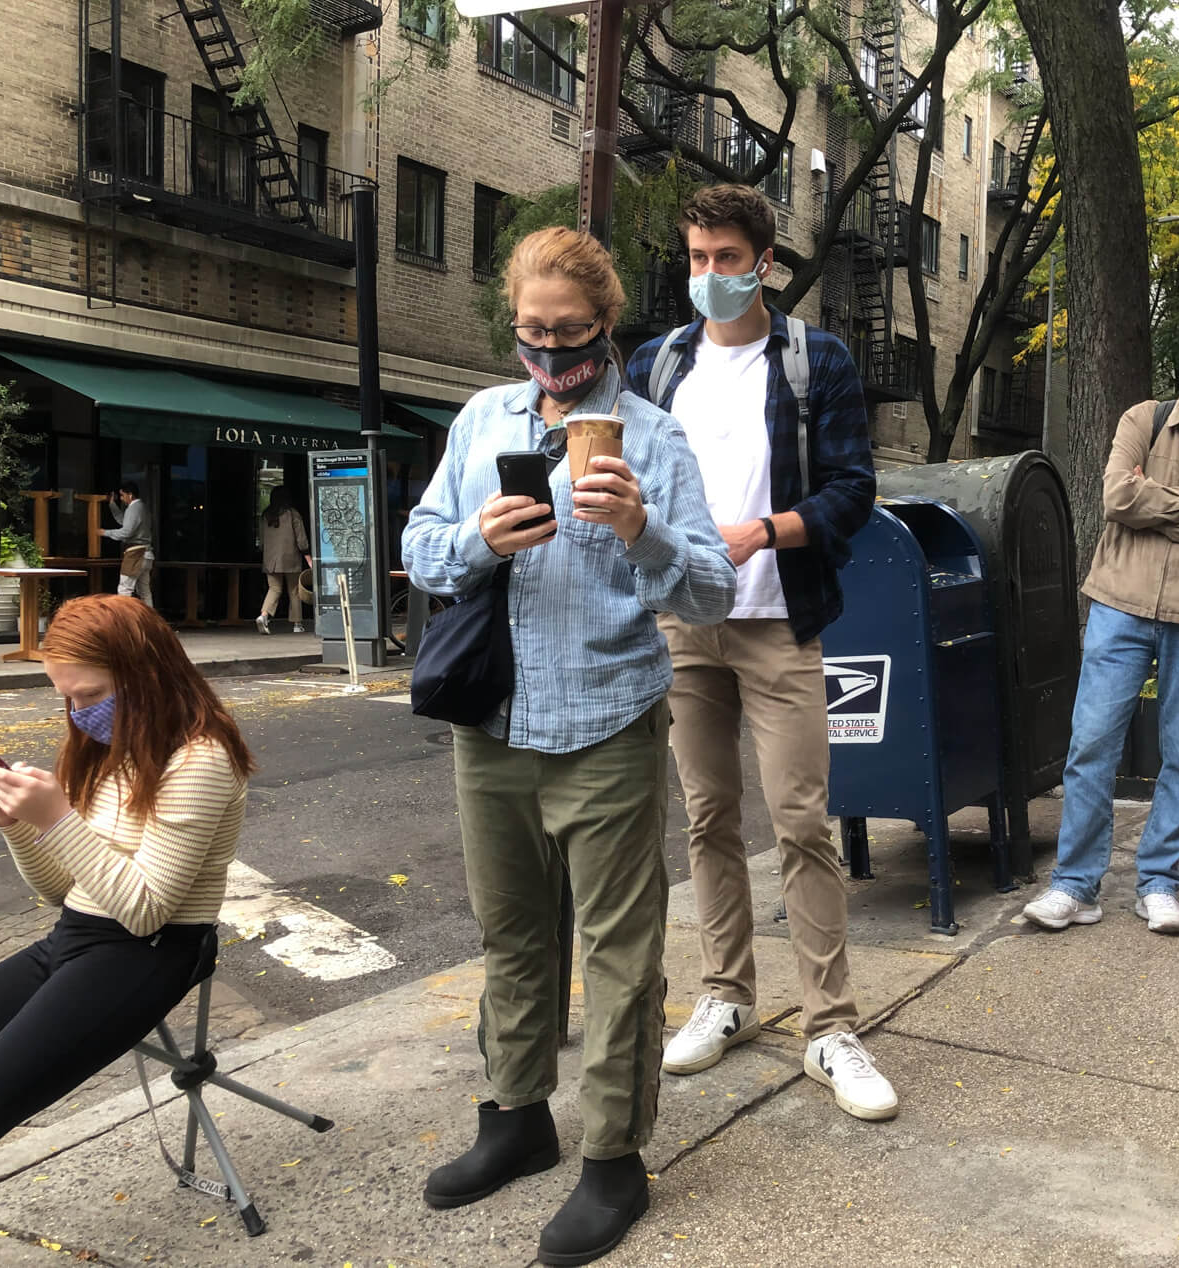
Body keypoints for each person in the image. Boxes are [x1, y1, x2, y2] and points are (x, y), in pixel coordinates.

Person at [402, 226, 734, 1267]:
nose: (549, 351)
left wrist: (642, 529)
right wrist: (474, 540)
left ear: (605, 327)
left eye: (570, 332)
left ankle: (612, 1157)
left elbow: (713, 590)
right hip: (494, 723)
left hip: (607, 720)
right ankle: (514, 1114)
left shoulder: (651, 436)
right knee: (509, 932)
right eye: (531, 332)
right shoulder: (478, 420)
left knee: (618, 953)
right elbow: (418, 549)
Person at [624, 183, 895, 1121]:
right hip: (681, 620)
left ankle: (831, 1025)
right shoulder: (657, 364)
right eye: (697, 259)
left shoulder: (817, 360)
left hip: (779, 616)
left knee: (802, 822)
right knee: (707, 817)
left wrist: (768, 532)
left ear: (765, 263)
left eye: (727, 259)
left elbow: (856, 489)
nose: (710, 276)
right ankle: (726, 995)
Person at [0, 594, 254, 1266]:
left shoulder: (202, 758)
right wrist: (17, 824)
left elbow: (147, 908)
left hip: (148, 953)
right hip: (76, 938)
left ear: (144, 674)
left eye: (89, 694)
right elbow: (60, 891)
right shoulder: (102, 747)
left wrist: (57, 816)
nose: (78, 712)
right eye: (65, 697)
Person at [1018, 319, 1179, 936]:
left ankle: (1159, 882)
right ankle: (1075, 885)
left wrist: (1164, 502)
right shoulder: (1146, 418)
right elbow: (1116, 500)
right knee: (1090, 747)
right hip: (1120, 603)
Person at [256, 485, 311, 634]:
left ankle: (264, 615)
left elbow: (261, 542)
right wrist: (308, 557)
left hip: (270, 560)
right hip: (290, 559)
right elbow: (301, 539)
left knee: (274, 588)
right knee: (294, 591)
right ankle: (297, 624)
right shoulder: (292, 514)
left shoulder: (266, 515)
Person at [102, 480, 154, 607]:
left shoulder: (134, 508)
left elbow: (126, 532)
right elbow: (124, 521)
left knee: (124, 590)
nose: (122, 498)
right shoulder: (142, 508)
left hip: (136, 553)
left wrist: (104, 532)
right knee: (145, 592)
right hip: (147, 554)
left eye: (122, 495)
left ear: (130, 495)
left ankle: (124, 623)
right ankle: (150, 623)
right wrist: (112, 505)